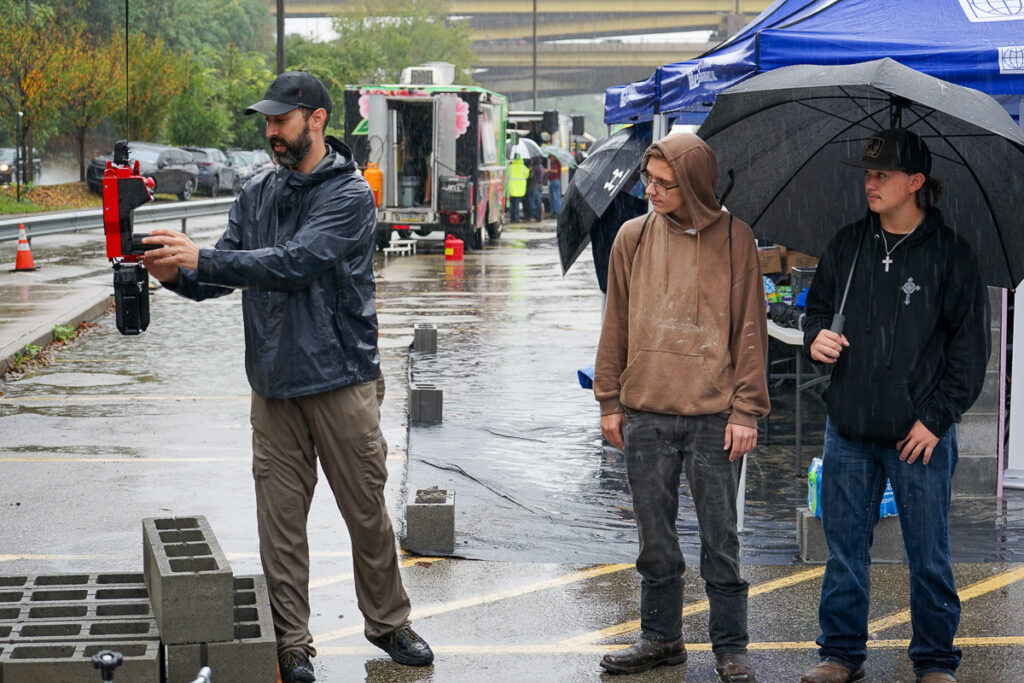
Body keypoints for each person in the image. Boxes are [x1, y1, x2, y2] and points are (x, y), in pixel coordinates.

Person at [140, 70, 433, 683]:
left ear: (317, 119)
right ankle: (292, 644)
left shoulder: (350, 194)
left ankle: (387, 621)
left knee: (366, 514)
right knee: (279, 525)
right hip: (273, 386)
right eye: (268, 122)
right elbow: (228, 272)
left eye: (282, 120)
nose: (272, 132)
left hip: (341, 381)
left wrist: (209, 258)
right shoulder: (256, 194)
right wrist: (177, 275)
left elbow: (296, 263)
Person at [799, 128, 989, 683]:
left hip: (918, 435)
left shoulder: (952, 255)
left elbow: (971, 354)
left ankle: (934, 662)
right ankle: (840, 655)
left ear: (916, 183)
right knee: (844, 551)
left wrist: (935, 420)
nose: (870, 182)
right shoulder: (848, 244)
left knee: (928, 554)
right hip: (849, 429)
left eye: (883, 174)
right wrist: (816, 338)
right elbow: (817, 311)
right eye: (867, 173)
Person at [593, 133, 769, 681]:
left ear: (693, 184)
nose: (651, 191)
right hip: (644, 412)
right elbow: (614, 322)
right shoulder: (631, 236)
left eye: (664, 183)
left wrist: (746, 412)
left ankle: (731, 646)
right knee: (654, 538)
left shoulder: (738, 240)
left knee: (721, 537)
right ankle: (661, 639)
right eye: (648, 180)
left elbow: (750, 331)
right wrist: (608, 399)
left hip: (715, 418)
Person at [508, 153, 528, 222]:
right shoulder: (524, 168)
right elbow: (527, 176)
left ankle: (513, 217)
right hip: (520, 190)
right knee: (516, 205)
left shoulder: (510, 167)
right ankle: (516, 218)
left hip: (512, 189)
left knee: (513, 204)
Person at [527, 154, 545, 220]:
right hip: (540, 186)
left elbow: (531, 177)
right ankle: (539, 217)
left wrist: (530, 171)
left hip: (534, 186)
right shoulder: (541, 167)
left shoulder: (534, 167)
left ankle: (533, 216)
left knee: (533, 202)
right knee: (538, 202)